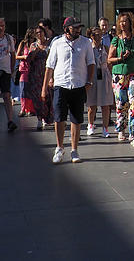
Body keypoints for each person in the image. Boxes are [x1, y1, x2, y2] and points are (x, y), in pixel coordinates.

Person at [42, 16, 94, 164]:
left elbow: (91, 63)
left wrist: (89, 82)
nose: (78, 29)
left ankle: (74, 149)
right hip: (60, 85)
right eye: (75, 27)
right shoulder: (57, 43)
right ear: (67, 29)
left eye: (79, 27)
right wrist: (44, 88)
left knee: (76, 120)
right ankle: (59, 148)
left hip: (78, 85)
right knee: (59, 118)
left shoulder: (86, 43)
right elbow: (49, 66)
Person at [108, 12, 134, 147]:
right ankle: (121, 129)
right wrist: (121, 58)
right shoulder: (116, 40)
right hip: (119, 76)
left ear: (131, 23)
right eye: (120, 21)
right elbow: (109, 59)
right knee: (121, 104)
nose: (122, 23)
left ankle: (133, 134)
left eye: (125, 21)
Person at [86, 26, 114, 137]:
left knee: (105, 105)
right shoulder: (88, 48)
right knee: (92, 105)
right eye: (95, 35)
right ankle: (90, 125)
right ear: (91, 36)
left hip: (104, 75)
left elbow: (110, 63)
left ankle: (105, 128)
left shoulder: (106, 48)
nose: (97, 37)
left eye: (99, 35)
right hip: (92, 76)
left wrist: (111, 77)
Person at [24, 21, 52, 131]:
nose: (39, 34)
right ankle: (40, 118)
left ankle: (47, 117)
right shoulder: (33, 45)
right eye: (37, 33)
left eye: (40, 32)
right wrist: (34, 52)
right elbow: (29, 60)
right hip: (35, 75)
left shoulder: (49, 45)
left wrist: (52, 77)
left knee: (48, 97)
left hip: (46, 73)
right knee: (38, 98)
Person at [16, 28, 36, 116]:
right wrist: (24, 57)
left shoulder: (36, 44)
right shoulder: (23, 43)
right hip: (24, 69)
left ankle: (31, 109)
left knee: (32, 90)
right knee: (23, 89)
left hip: (33, 69)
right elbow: (17, 56)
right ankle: (23, 109)